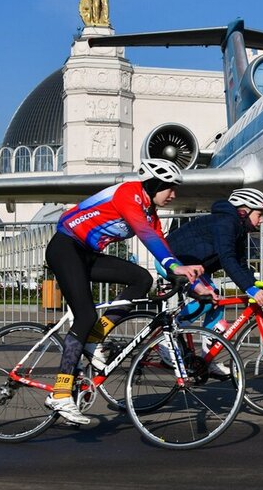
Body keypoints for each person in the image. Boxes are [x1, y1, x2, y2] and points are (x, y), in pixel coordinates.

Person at [44, 158, 203, 425]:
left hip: (87, 254)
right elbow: (147, 237)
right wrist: (175, 265)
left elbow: (162, 244)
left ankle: (94, 338)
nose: (174, 194)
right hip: (65, 248)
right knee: (84, 316)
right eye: (169, 188)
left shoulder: (150, 212)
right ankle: (60, 393)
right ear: (153, 185)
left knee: (141, 278)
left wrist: (196, 283)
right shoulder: (128, 194)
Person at [162, 187, 263, 375]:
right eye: (259, 214)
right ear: (243, 212)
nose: (262, 220)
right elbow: (227, 259)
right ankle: (168, 335)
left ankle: (207, 360)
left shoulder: (237, 228)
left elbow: (240, 264)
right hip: (172, 260)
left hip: (192, 265)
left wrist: (257, 287)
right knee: (210, 297)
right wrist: (249, 289)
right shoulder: (225, 223)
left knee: (216, 302)